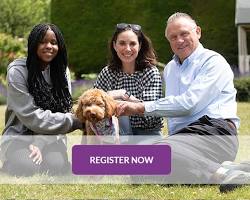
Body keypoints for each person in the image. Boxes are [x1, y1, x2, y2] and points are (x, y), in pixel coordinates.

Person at [116, 13, 250, 192]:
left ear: (198, 32)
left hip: (215, 132)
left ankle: (223, 173)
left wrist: (140, 107)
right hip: (183, 139)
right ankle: (233, 168)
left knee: (157, 155)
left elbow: (189, 104)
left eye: (184, 34)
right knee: (138, 166)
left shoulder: (213, 61)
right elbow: (173, 107)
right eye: (173, 37)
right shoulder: (170, 69)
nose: (179, 40)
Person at [0, 23, 83, 176]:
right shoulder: (17, 71)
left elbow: (63, 109)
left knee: (56, 167)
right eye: (42, 41)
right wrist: (74, 121)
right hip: (20, 135)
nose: (49, 46)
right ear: (33, 43)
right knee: (26, 167)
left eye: (54, 42)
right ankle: (10, 162)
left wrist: (40, 142)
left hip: (51, 136)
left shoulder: (61, 71)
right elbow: (31, 116)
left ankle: (48, 156)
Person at [94, 23, 163, 136]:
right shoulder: (107, 72)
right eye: (122, 43)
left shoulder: (150, 72)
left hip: (147, 134)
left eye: (132, 44)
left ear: (139, 46)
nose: (127, 49)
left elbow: (151, 115)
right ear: (114, 46)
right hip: (115, 133)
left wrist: (123, 94)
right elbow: (94, 105)